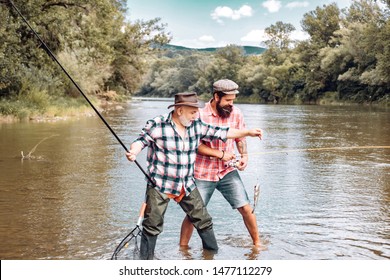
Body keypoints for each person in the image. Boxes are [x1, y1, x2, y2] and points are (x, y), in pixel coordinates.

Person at [126, 91, 263, 259]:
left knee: (204, 221)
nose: (196, 115)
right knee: (152, 226)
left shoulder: (196, 125)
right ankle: (145, 263)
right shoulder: (158, 124)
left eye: (196, 111)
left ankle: (211, 256)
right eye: (192, 112)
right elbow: (140, 141)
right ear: (179, 110)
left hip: (186, 184)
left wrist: (247, 133)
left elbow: (223, 132)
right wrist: (133, 152)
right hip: (160, 184)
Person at [179, 79, 261, 248]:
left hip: (227, 171)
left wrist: (244, 155)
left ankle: (257, 245)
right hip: (202, 172)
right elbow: (195, 144)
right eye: (228, 100)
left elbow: (240, 137)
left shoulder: (236, 113)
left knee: (245, 208)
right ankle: (183, 249)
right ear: (216, 97)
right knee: (194, 213)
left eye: (233, 100)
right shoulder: (199, 114)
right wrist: (220, 154)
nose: (231, 104)